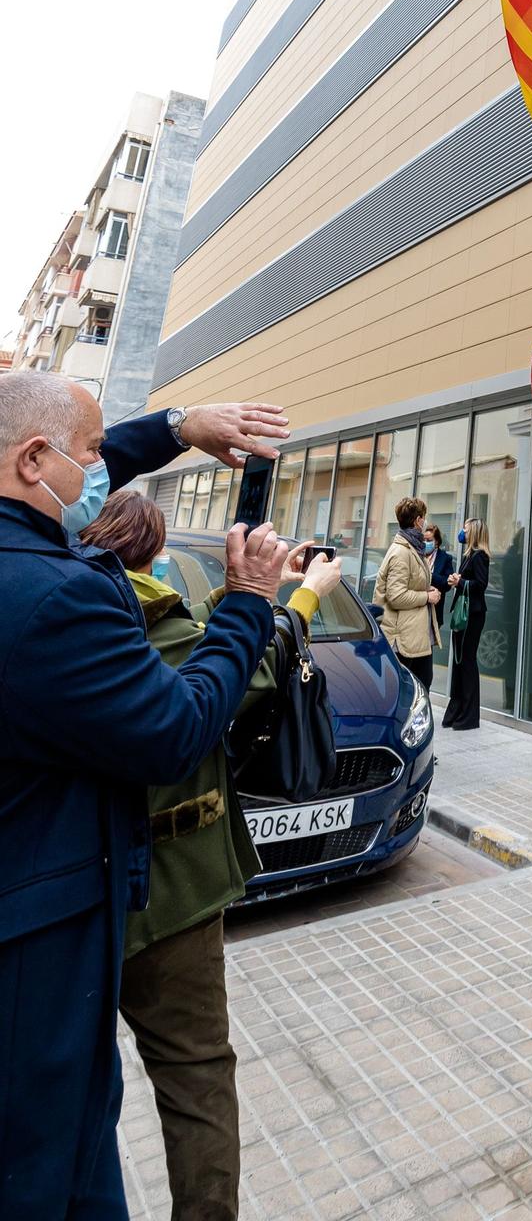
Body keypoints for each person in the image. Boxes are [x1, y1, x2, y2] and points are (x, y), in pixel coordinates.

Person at [0, 374, 293, 1221]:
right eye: (90, 456)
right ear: (32, 461)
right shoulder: (59, 598)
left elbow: (58, 448)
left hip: (93, 903)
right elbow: (177, 727)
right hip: (58, 933)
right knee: (68, 1157)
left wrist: (177, 426)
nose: (99, 471)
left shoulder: (42, 554)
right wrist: (250, 606)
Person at [85, 492, 341, 1221]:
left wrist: (252, 593)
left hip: (65, 899)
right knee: (196, 1077)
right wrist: (299, 597)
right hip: (167, 897)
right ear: (151, 555)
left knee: (75, 1079)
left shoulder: (63, 616)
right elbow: (247, 668)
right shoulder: (158, 631)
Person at [373, 495, 441, 689]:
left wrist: (425, 588)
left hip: (413, 637)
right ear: (418, 521)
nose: (425, 522)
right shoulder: (401, 552)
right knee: (410, 691)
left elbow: (408, 583)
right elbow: (396, 596)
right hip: (403, 639)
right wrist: (427, 596)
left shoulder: (412, 548)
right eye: (424, 518)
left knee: (420, 686)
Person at [441, 517, 490, 730]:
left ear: (474, 533)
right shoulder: (469, 555)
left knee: (467, 661)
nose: (462, 532)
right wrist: (456, 580)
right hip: (464, 613)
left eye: (466, 529)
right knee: (460, 662)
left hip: (472, 615)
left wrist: (459, 581)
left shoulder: (480, 556)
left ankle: (469, 716)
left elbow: (481, 584)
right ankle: (457, 710)